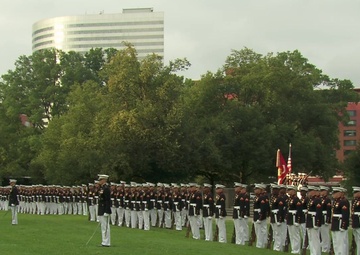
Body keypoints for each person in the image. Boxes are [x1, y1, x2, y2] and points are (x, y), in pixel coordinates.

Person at [330, 187, 350, 255]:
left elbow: (345, 215)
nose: (333, 195)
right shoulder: (336, 201)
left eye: (335, 193)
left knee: (341, 242)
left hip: (339, 223)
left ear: (340, 193)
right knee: (336, 242)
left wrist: (343, 225)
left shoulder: (343, 201)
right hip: (335, 223)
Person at [97, 174, 111, 247]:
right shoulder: (102, 188)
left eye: (100, 180)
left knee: (105, 227)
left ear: (104, 180)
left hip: (105, 209)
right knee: (103, 226)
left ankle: (106, 242)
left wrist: (107, 211)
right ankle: (104, 241)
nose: (99, 181)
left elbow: (107, 201)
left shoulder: (106, 188)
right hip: (101, 209)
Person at [351, 186, 360, 255]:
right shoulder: (354, 200)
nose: (354, 194)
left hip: (359, 219)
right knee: (356, 238)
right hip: (355, 219)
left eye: (356, 192)